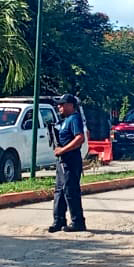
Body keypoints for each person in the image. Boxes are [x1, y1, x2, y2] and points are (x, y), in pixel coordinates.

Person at [48, 94, 86, 233]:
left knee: (70, 190)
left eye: (62, 104)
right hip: (62, 161)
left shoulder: (74, 118)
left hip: (70, 160)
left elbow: (80, 138)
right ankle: (59, 220)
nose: (59, 107)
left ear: (71, 105)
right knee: (59, 190)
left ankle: (78, 222)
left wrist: (63, 150)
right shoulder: (64, 120)